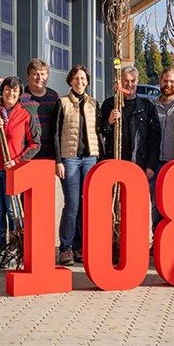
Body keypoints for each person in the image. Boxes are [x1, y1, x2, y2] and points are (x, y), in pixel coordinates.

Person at [0, 76, 40, 265]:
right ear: (1, 91)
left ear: (19, 94)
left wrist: (17, 160)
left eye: (14, 91)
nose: (10, 93)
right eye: (7, 90)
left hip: (14, 170)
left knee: (13, 213)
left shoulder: (25, 115)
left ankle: (14, 251)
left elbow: (35, 144)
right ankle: (1, 251)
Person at [54, 65, 102, 266]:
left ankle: (79, 246)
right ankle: (65, 248)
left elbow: (98, 132)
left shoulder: (93, 103)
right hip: (70, 159)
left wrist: (100, 158)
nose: (79, 82)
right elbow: (55, 134)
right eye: (76, 78)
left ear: (88, 81)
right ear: (70, 81)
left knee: (84, 205)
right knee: (72, 204)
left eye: (83, 78)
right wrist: (58, 161)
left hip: (90, 159)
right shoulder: (62, 103)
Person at [100, 65, 160, 217]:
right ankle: (114, 238)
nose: (130, 84)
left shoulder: (147, 106)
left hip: (138, 164)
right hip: (114, 163)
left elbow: (155, 139)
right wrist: (109, 121)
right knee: (113, 205)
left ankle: (133, 238)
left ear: (137, 81)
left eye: (133, 81)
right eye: (126, 81)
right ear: (119, 82)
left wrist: (151, 165)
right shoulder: (109, 104)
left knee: (135, 206)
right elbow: (101, 132)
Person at [152, 67, 174, 231]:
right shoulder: (152, 105)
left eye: (172, 81)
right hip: (157, 162)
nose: (168, 84)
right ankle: (157, 238)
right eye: (165, 81)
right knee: (156, 204)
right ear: (160, 82)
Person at [22, 58, 60, 161]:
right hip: (27, 155)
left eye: (43, 74)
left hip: (50, 154)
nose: (40, 78)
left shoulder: (54, 96)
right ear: (28, 76)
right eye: (35, 74)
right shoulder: (20, 97)